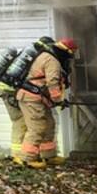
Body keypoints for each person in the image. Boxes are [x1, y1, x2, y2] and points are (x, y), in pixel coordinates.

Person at [16, 37, 77, 168]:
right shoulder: (52, 60)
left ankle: (49, 156)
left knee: (49, 124)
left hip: (37, 98)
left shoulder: (46, 56)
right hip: (31, 98)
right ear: (65, 52)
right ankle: (28, 159)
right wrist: (58, 100)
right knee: (37, 127)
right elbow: (52, 82)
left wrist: (56, 100)